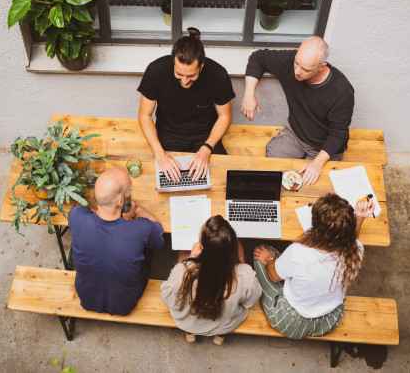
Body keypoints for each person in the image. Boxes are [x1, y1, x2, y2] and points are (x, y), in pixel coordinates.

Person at [252, 194, 374, 339]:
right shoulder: (357, 250)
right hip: (330, 319)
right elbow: (352, 240)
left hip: (292, 322)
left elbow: (273, 275)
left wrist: (270, 259)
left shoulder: (298, 252)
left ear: (314, 226)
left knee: (262, 250)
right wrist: (359, 218)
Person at [241, 36, 354, 186]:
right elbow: (258, 57)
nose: (297, 72)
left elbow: (339, 133)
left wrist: (317, 164)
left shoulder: (341, 91)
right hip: (295, 134)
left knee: (307, 188)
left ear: (322, 66)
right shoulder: (291, 62)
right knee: (270, 173)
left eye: (306, 69)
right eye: (296, 63)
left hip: (323, 147)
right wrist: (249, 94)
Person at [137, 27, 235, 182]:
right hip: (169, 135)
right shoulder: (155, 71)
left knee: (224, 181)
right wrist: (160, 154)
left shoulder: (218, 75)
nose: (184, 81)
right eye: (179, 74)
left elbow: (225, 116)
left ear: (201, 65)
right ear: (173, 61)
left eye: (191, 75)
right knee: (165, 183)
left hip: (205, 136)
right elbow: (144, 115)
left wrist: (206, 149)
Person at [68, 167, 164, 316]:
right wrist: (135, 212)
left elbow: (90, 213)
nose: (130, 192)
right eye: (129, 190)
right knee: (150, 244)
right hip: (124, 303)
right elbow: (158, 230)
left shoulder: (76, 216)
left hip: (86, 297)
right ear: (120, 202)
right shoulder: (141, 229)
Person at [160, 215, 262, 344]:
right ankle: (220, 336)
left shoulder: (183, 272)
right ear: (232, 250)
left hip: (189, 322)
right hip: (225, 323)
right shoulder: (245, 275)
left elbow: (168, 298)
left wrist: (189, 259)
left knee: (181, 254)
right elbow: (250, 301)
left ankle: (190, 333)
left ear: (202, 249)